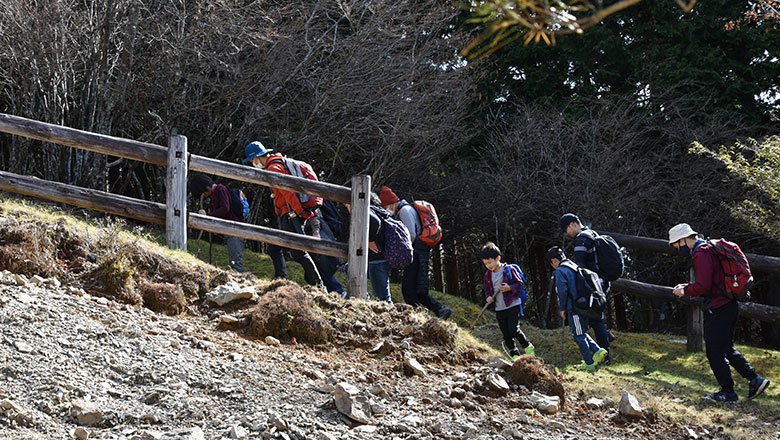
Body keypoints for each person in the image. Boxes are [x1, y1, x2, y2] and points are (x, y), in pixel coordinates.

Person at [669, 223, 770, 402]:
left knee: (714, 352)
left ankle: (728, 392)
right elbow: (711, 281)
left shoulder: (700, 254)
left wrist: (684, 291)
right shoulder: (708, 248)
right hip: (728, 305)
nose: (678, 249)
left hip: (718, 307)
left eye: (677, 245)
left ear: (683, 240)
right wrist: (687, 286)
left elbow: (704, 285)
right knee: (727, 348)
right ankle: (755, 380)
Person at [242, 141, 323, 288]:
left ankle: (318, 285)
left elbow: (288, 193)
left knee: (298, 252)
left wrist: (299, 211)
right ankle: (283, 280)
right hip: (290, 212)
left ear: (258, 158)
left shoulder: (274, 168)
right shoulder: (280, 162)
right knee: (279, 248)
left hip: (291, 213)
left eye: (252, 160)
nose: (253, 163)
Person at [380, 186, 451, 319]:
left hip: (415, 252)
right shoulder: (407, 209)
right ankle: (439, 310)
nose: (386, 210)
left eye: (386, 207)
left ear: (391, 203)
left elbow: (411, 235)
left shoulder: (404, 211)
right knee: (418, 289)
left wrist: (401, 250)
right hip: (420, 251)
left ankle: (418, 316)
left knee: (408, 289)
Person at [546, 246, 609, 372]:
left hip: (574, 309)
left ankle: (589, 363)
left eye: (551, 264)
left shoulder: (561, 271)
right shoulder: (573, 265)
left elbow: (563, 292)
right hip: (585, 306)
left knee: (578, 336)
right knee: (582, 332)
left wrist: (562, 309)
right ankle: (598, 351)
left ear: (554, 260)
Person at [560, 212, 618, 349]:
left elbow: (581, 268)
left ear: (573, 224)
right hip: (603, 282)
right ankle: (606, 339)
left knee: (595, 319)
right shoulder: (592, 233)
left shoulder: (581, 240)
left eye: (566, 230)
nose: (566, 234)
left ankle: (605, 354)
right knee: (595, 317)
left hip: (593, 286)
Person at [481, 242, 534, 360]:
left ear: (498, 258)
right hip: (499, 308)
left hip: (512, 304)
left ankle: (527, 346)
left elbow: (519, 284)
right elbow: (487, 290)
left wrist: (509, 288)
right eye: (485, 264)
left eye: (490, 262)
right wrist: (488, 297)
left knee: (513, 330)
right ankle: (514, 354)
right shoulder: (488, 275)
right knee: (506, 333)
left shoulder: (508, 270)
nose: (488, 265)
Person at [188, 174, 244, 273]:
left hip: (234, 228)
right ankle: (237, 277)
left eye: (203, 193)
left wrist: (208, 215)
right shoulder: (216, 193)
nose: (204, 196)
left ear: (206, 188)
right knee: (234, 257)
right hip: (230, 229)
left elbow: (225, 209)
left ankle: (239, 279)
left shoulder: (220, 189)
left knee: (235, 259)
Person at [345, 194, 393, 304]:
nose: (348, 208)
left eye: (348, 205)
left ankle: (396, 320)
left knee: (383, 299)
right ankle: (364, 298)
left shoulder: (365, 211)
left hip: (377, 260)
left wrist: (369, 240)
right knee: (349, 268)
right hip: (378, 259)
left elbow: (375, 221)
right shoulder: (377, 210)